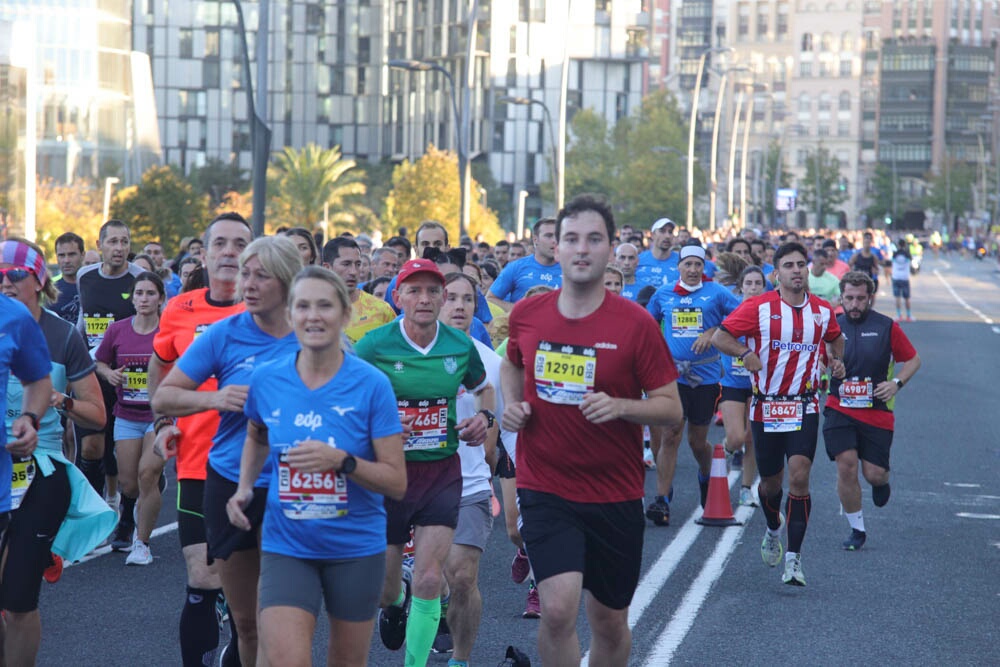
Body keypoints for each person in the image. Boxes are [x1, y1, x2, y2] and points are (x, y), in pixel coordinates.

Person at [501, 194, 682, 666]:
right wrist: (513, 404)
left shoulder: (637, 324)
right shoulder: (528, 314)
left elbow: (670, 408)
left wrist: (621, 406)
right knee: (558, 611)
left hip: (614, 493)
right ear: (554, 248)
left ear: (611, 250)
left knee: (608, 620)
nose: (582, 249)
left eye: (594, 239)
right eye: (571, 239)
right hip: (545, 485)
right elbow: (510, 363)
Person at [227, 266, 406, 667]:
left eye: (325, 305)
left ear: (345, 315)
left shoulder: (372, 385)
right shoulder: (268, 379)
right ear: (290, 315)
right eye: (303, 306)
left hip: (355, 548)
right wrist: (244, 487)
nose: (313, 316)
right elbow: (256, 435)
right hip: (287, 544)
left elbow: (396, 482)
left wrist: (342, 462)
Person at [153, 235, 302, 666]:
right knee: (247, 622)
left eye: (261, 275)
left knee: (279, 615)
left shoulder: (312, 333)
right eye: (246, 274)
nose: (248, 284)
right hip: (228, 482)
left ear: (287, 281)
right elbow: (164, 396)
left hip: (293, 485)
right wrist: (215, 399)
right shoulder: (224, 335)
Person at [355, 258, 493, 667]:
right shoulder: (374, 344)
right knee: (383, 588)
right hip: (388, 473)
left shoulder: (459, 344)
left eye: (434, 291)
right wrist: (378, 420)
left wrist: (483, 419)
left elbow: (483, 389)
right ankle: (396, 599)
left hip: (441, 471)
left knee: (432, 578)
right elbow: (345, 398)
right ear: (397, 298)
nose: (425, 298)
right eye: (414, 290)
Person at [1, 240, 110, 666]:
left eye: (16, 275)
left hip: (42, 468)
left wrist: (59, 401)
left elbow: (97, 416)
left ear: (39, 280)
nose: (6, 284)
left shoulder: (62, 335)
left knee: (19, 596)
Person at [147, 212, 250, 666]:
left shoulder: (273, 312)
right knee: (202, 577)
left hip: (262, 466)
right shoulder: (179, 309)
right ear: (204, 253)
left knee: (252, 587)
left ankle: (240, 635)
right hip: (196, 461)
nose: (229, 252)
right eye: (221, 243)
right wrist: (163, 424)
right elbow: (160, 367)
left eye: (239, 244)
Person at [712, 242, 846, 587]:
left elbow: (836, 338)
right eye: (789, 265)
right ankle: (774, 528)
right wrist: (744, 353)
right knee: (771, 485)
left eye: (802, 264)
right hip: (766, 404)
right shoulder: (758, 307)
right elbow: (720, 336)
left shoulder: (822, 310)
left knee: (799, 477)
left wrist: (835, 360)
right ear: (777, 273)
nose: (797, 270)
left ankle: (794, 559)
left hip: (803, 403)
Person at [433, 272, 503, 666]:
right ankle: (401, 606)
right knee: (427, 579)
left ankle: (460, 660)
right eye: (451, 298)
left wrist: (487, 463)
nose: (459, 306)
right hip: (415, 482)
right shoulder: (403, 352)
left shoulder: (489, 361)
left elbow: (496, 426)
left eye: (467, 299)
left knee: (461, 576)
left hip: (469, 482)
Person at [644, 243, 740, 525]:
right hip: (672, 376)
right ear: (679, 267)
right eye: (688, 265)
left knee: (698, 441)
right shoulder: (664, 294)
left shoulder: (716, 293)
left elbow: (738, 318)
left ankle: (706, 476)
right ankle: (662, 500)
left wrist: (713, 331)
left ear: (704, 268)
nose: (693, 270)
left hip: (706, 376)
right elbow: (648, 326)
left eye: (698, 265)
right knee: (671, 433)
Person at [824, 271, 920, 551]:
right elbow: (817, 360)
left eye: (860, 299)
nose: (854, 304)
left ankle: (881, 481)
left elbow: (913, 359)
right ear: (841, 297)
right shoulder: (831, 327)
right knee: (846, 464)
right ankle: (857, 529)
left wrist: (896, 383)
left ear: (870, 298)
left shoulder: (886, 326)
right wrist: (824, 369)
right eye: (849, 298)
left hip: (876, 412)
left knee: (874, 474)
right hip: (839, 408)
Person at [94, 271, 164, 562]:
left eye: (150, 293)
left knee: (147, 473)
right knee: (129, 483)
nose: (144, 299)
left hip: (160, 416)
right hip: (126, 414)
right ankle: (139, 501)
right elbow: (99, 361)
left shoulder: (168, 331)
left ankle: (142, 544)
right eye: (139, 293)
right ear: (132, 297)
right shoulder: (118, 330)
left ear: (160, 298)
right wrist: (109, 374)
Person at [75, 220, 144, 509]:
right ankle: (96, 510)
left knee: (121, 452)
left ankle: (123, 503)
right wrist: (75, 357)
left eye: (124, 242)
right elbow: (82, 318)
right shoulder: (85, 276)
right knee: (92, 446)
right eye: (113, 242)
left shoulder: (141, 277)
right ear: (99, 245)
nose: (119, 248)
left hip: (127, 376)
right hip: (91, 371)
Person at [718, 265, 766, 506]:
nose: (753, 288)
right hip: (732, 381)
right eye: (749, 284)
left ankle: (746, 488)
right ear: (741, 287)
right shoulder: (731, 308)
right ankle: (722, 456)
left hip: (759, 383)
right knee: (736, 437)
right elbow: (714, 329)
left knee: (751, 439)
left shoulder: (770, 313)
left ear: (765, 287)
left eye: (758, 283)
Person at [322, 237, 395, 343]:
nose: (354, 272)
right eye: (346, 264)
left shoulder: (382, 311)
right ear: (327, 268)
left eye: (358, 264)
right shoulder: (311, 310)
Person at [488, 218, 562, 311]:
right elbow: (490, 299)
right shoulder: (516, 267)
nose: (555, 240)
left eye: (557, 235)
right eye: (548, 236)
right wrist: (522, 310)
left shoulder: (569, 269)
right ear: (535, 240)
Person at [52, 232, 85, 323]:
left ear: (82, 255)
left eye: (71, 254)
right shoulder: (49, 291)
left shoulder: (95, 287)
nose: (66, 260)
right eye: (61, 255)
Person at [635, 217, 677, 288]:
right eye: (662, 231)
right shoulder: (638, 260)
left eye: (670, 232)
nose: (667, 236)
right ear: (652, 235)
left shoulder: (681, 262)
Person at [890, 242, 914, 321]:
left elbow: (891, 261)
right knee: (907, 298)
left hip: (896, 277)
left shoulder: (895, 254)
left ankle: (899, 314)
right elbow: (911, 260)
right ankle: (908, 315)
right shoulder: (907, 255)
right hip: (904, 278)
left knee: (897, 297)